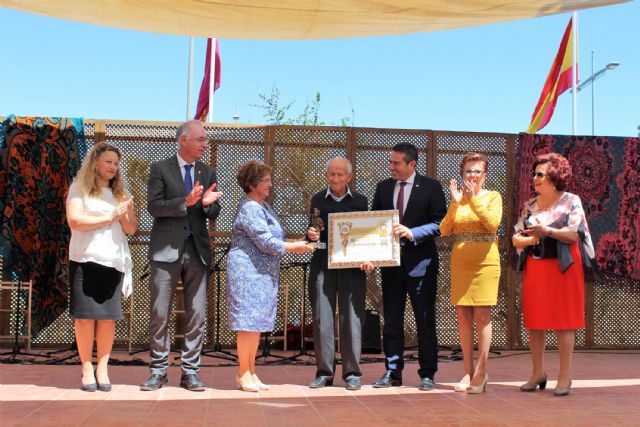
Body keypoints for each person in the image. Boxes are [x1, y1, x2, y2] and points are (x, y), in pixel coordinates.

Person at [141, 120, 222, 392]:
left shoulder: (207, 171)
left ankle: (190, 373)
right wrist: (183, 204)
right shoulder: (160, 168)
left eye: (205, 140)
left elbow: (213, 211)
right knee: (159, 313)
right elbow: (153, 206)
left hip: (197, 252)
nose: (204, 144)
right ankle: (159, 371)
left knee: (197, 314)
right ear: (183, 140)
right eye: (200, 139)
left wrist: (209, 206)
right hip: (166, 252)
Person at [512, 152, 597, 397]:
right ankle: (537, 372)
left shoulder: (571, 200)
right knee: (535, 321)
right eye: (534, 173)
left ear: (554, 176)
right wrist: (529, 240)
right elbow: (516, 237)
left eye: (540, 174)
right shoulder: (530, 205)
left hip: (564, 267)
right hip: (536, 267)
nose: (535, 178)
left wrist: (547, 230)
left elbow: (575, 235)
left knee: (564, 322)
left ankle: (564, 376)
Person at [226, 160, 314, 392]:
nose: (270, 185)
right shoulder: (250, 207)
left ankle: (251, 371)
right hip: (247, 272)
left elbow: (271, 238)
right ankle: (242, 372)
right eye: (265, 181)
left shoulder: (263, 206)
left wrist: (292, 243)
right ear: (251, 183)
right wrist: (292, 247)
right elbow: (264, 241)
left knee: (255, 324)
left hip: (262, 273)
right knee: (247, 323)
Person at [371, 143, 447, 391]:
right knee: (391, 322)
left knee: (425, 321)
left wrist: (412, 233)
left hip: (422, 266)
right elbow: (374, 223)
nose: (391, 167)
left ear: (411, 164)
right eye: (390, 162)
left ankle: (427, 374)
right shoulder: (383, 187)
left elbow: (440, 223)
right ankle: (392, 372)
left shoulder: (431, 187)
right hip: (391, 267)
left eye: (396, 163)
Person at [66, 142, 138, 392]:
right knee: (85, 319)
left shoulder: (120, 194)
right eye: (108, 161)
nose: (113, 167)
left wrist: (125, 211)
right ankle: (86, 367)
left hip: (113, 261)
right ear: (95, 162)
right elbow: (75, 220)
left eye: (116, 164)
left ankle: (103, 368)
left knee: (107, 319)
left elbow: (130, 229)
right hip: (85, 260)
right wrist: (109, 216)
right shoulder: (80, 188)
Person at [439, 152, 502, 394]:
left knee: (482, 315)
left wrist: (473, 199)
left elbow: (492, 224)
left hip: (486, 260)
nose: (472, 175)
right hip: (461, 261)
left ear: (484, 175)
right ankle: (467, 370)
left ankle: (481, 373)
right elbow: (445, 230)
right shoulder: (458, 200)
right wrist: (455, 202)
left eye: (477, 171)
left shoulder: (493, 196)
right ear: (462, 173)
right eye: (468, 171)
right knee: (463, 316)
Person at [305, 157, 369, 391]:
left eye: (340, 174)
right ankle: (324, 373)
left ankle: (352, 373)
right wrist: (310, 234)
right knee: (322, 319)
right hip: (322, 263)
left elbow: (367, 234)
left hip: (352, 265)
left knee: (352, 319)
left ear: (349, 177)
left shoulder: (361, 201)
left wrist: (367, 256)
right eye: (331, 174)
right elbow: (311, 231)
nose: (335, 178)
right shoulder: (317, 199)